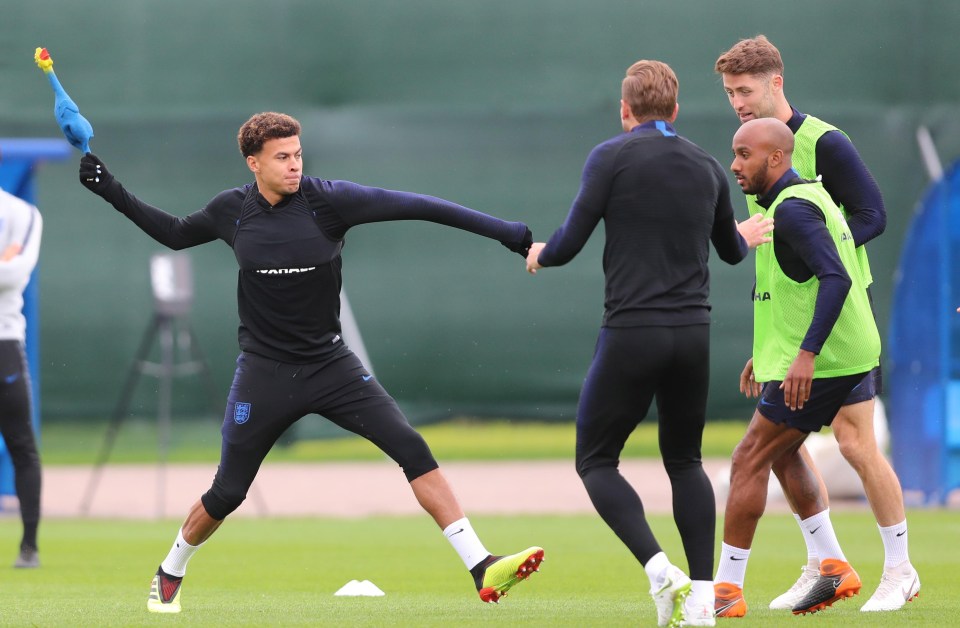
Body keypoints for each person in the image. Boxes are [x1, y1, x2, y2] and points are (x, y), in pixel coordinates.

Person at [78, 112, 543, 614]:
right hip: (263, 373)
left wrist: (514, 235)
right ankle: (171, 568)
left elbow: (423, 206)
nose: (295, 165)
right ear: (253, 163)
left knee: (410, 446)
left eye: (298, 154)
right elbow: (172, 232)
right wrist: (110, 189)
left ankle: (481, 566)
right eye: (282, 157)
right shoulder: (230, 211)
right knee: (228, 492)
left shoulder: (329, 201)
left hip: (331, 366)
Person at [525, 60, 772, 628]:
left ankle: (662, 572)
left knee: (595, 460)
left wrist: (541, 253)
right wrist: (745, 233)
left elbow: (568, 242)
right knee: (685, 460)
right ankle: (706, 601)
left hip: (633, 332)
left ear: (625, 110)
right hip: (693, 335)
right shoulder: (708, 165)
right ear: (677, 111)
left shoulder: (610, 156)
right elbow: (731, 253)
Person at [713, 35, 919, 615]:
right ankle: (831, 564)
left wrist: (823, 247)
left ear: (776, 83)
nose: (738, 102)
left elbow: (872, 214)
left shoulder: (823, 143)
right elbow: (778, 265)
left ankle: (892, 568)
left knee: (828, 447)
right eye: (730, 93)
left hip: (835, 317)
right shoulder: (754, 148)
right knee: (793, 448)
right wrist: (775, 344)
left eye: (746, 90)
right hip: (798, 321)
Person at [0, 152, 44, 569]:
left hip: (4, 344)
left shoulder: (21, 213)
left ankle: (28, 546)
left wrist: (7, 266)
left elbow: (14, 276)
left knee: (21, 446)